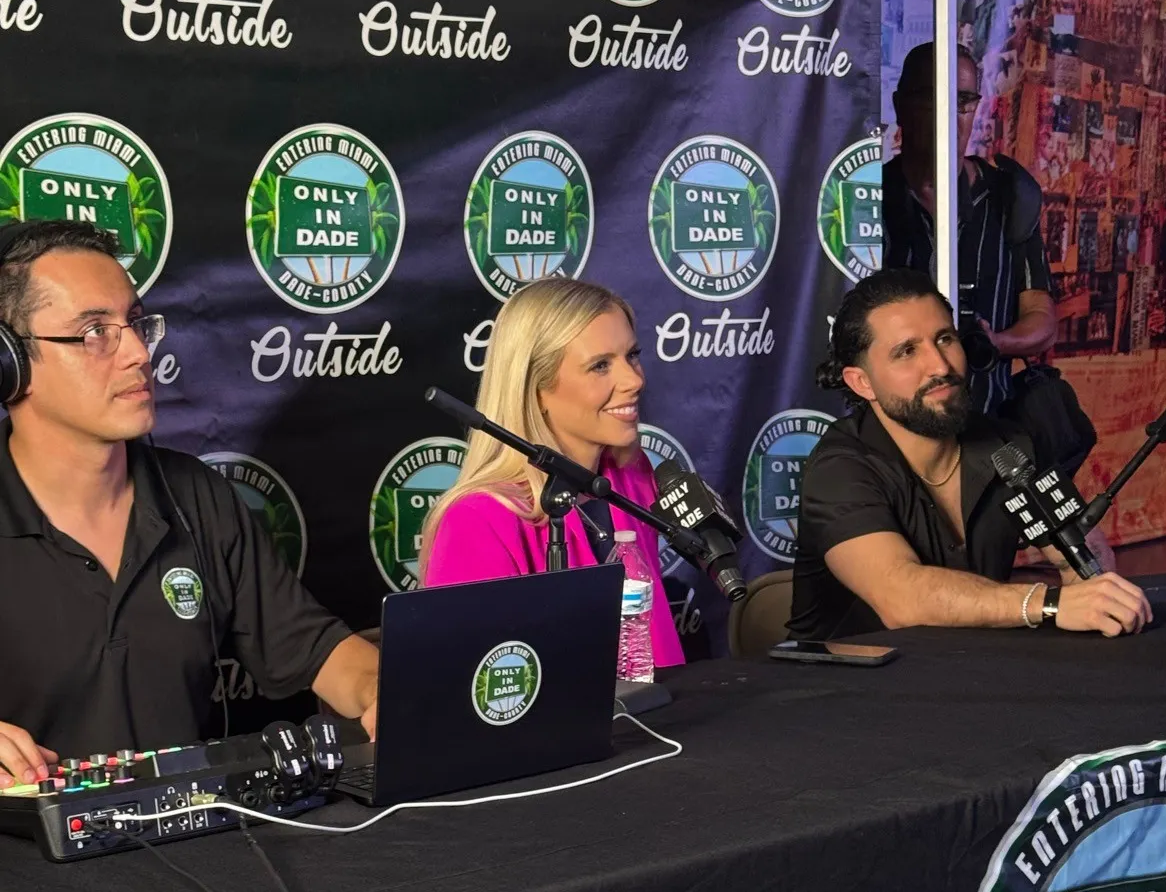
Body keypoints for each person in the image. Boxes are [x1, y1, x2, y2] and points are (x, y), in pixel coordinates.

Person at [0, 220, 379, 788]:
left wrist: (382, 690)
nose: (137, 353)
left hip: (197, 833)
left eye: (135, 324)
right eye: (95, 332)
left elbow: (318, 650)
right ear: (10, 363)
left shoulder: (197, 497)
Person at [789, 268, 1152, 640]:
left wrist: (1095, 591)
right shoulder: (838, 469)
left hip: (975, 665)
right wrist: (1050, 604)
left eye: (945, 339)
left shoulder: (1008, 445)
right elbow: (900, 597)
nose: (940, 366)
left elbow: (1084, 558)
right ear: (862, 382)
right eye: (907, 351)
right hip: (847, 672)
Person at [420, 277, 684, 669]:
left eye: (632, 355)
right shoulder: (477, 521)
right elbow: (470, 686)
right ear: (536, 388)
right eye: (600, 366)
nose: (635, 380)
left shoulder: (631, 478)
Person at [883, 41, 1057, 414]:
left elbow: (1042, 319)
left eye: (962, 100)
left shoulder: (1010, 197)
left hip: (987, 423)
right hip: (894, 429)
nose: (949, 114)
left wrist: (996, 342)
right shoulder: (869, 198)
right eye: (932, 97)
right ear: (900, 106)